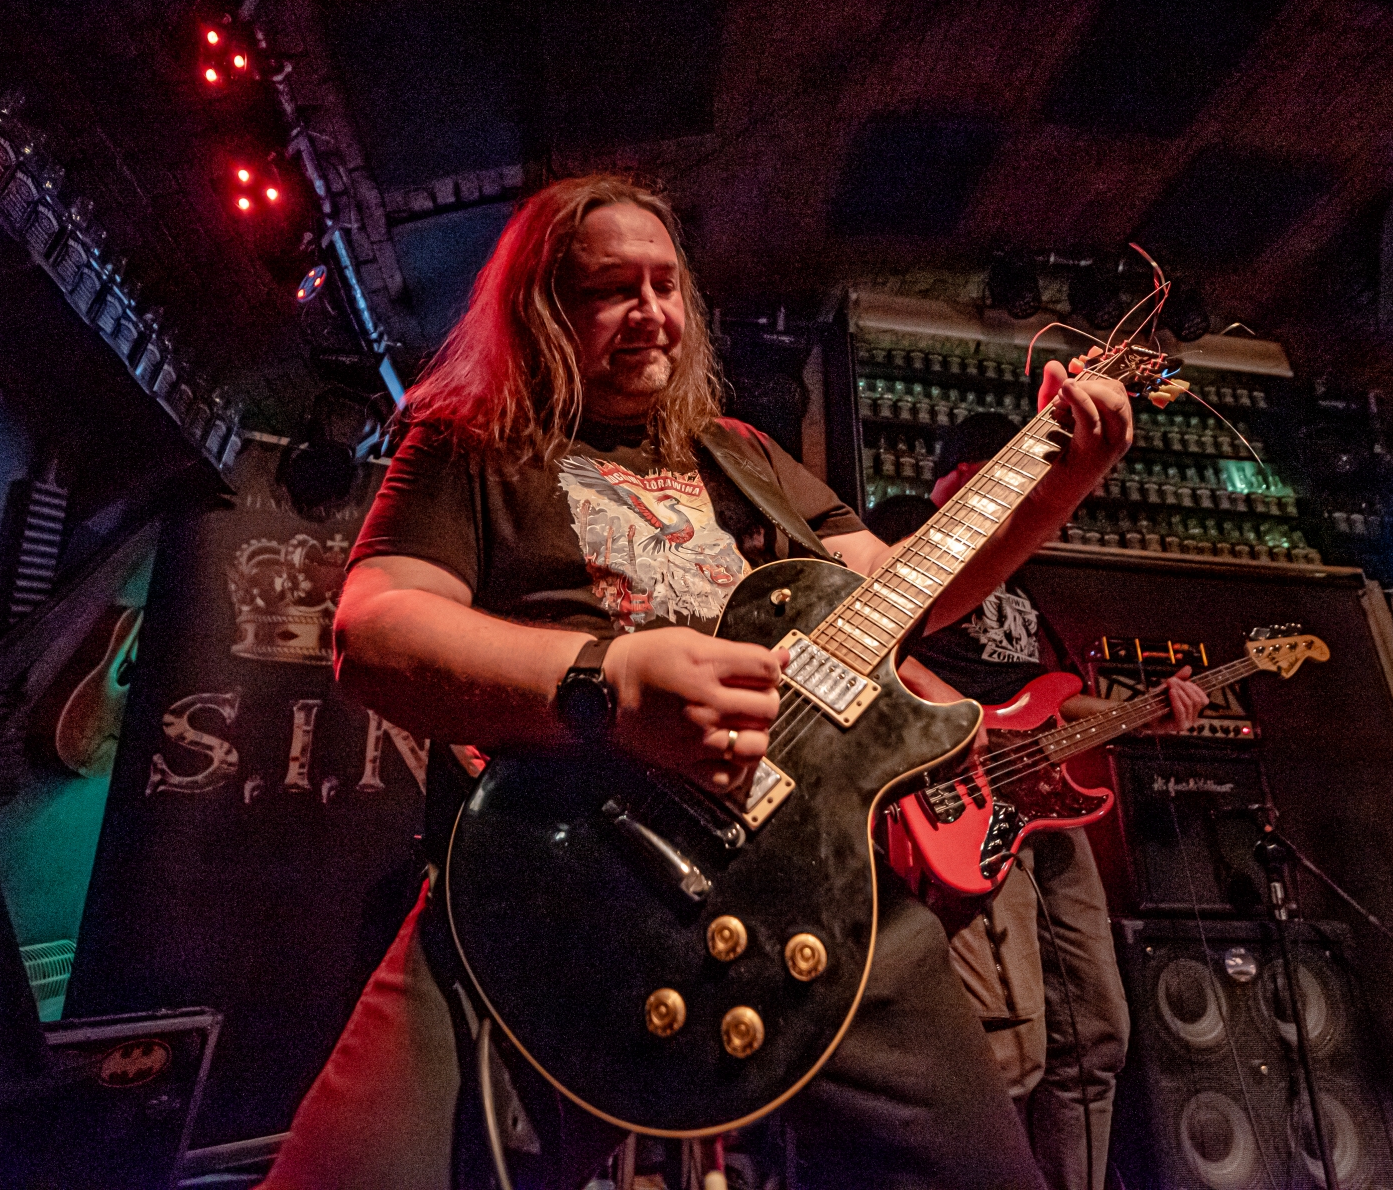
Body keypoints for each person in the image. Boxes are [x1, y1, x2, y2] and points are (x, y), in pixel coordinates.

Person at [261, 174, 1138, 1190]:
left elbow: (903, 591)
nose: (651, 312)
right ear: (539, 309)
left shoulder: (743, 455)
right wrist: (608, 684)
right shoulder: (472, 442)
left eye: (665, 284)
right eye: (611, 289)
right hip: (560, 877)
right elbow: (375, 627)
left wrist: (1060, 477)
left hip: (816, 881)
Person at [868, 414, 1206, 1190]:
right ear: (964, 473)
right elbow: (872, 644)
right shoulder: (902, 524)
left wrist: (1145, 710)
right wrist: (957, 715)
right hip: (962, 798)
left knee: (1098, 1032)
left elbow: (1043, 699)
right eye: (1013, 475)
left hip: (1045, 801)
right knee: (1008, 1045)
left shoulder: (1013, 574)